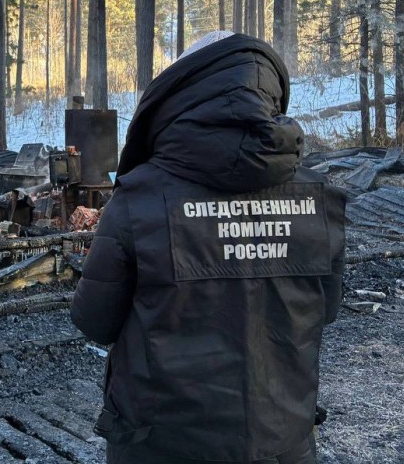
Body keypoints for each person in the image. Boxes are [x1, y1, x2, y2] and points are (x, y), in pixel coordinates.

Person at [71, 32, 345, 464]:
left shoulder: (139, 198)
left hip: (160, 445)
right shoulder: (316, 198)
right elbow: (324, 310)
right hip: (280, 442)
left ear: (179, 98)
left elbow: (94, 321)